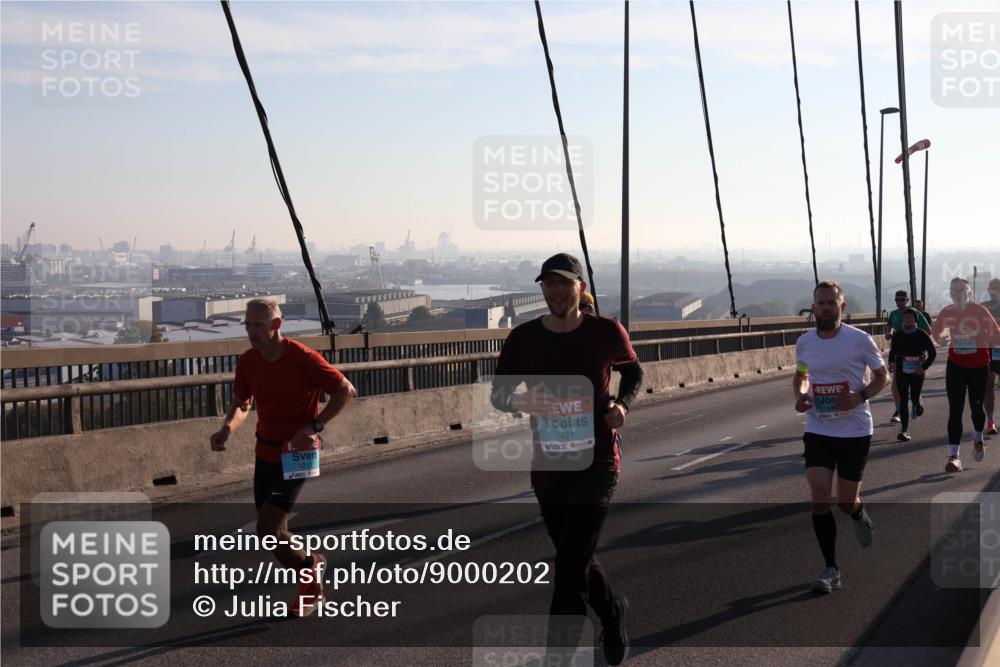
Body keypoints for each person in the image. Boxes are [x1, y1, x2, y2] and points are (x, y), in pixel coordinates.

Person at [491, 253, 643, 665]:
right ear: (542, 288)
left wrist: (624, 406)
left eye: (564, 283)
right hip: (549, 466)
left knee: (567, 572)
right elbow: (500, 395)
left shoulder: (606, 332)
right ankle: (614, 612)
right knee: (577, 558)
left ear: (581, 287)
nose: (556, 290)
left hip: (598, 462)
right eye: (548, 283)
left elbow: (634, 373)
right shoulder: (522, 338)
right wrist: (525, 398)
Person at [209, 298, 356, 617]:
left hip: (298, 455)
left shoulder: (303, 358)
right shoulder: (248, 361)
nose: (251, 332)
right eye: (247, 325)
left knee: (266, 529)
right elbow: (243, 404)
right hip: (265, 451)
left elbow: (346, 390)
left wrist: (316, 424)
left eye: (258, 325)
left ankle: (309, 579)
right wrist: (227, 429)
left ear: (276, 325)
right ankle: (311, 564)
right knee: (274, 532)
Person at [794, 281, 890, 594]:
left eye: (831, 303)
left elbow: (883, 377)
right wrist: (802, 395)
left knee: (845, 501)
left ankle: (858, 511)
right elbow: (801, 375)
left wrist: (859, 396)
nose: (825, 308)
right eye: (820, 303)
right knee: (820, 496)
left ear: (841, 307)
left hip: (854, 430)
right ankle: (831, 568)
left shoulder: (859, 340)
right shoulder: (805, 342)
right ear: (813, 306)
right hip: (818, 428)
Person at [930, 278, 1000, 471]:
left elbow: (997, 336)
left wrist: (977, 333)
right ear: (950, 293)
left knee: (976, 408)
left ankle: (978, 438)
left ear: (969, 294)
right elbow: (935, 331)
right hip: (956, 365)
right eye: (954, 291)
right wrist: (941, 341)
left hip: (978, 365)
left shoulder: (980, 311)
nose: (958, 295)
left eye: (963, 291)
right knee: (955, 410)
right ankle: (954, 457)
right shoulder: (947, 311)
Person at [888, 308, 937, 441]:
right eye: (905, 318)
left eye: (910, 317)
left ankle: (918, 403)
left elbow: (933, 353)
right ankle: (904, 430)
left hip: (917, 371)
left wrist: (923, 367)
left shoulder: (921, 334)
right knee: (903, 400)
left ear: (915, 319)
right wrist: (891, 362)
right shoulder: (898, 334)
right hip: (902, 371)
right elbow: (893, 351)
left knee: (914, 397)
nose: (907, 320)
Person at [885, 290, 931, 424]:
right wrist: (890, 332)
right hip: (899, 354)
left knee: (914, 385)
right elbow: (890, 324)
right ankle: (899, 410)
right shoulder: (893, 314)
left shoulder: (915, 314)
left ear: (907, 300)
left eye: (902, 300)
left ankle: (917, 401)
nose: (899, 302)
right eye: (897, 300)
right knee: (895, 384)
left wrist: (913, 337)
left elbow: (928, 331)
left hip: (915, 356)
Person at [983, 278, 1000, 435]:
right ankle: (990, 421)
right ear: (988, 290)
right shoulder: (983, 307)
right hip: (989, 349)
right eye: (993, 288)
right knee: (988, 385)